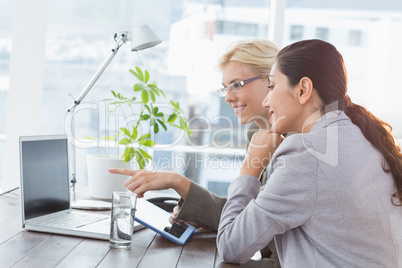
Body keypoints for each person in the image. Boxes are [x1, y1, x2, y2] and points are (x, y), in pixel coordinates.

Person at [217, 39, 402, 267]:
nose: (267, 100)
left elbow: (231, 246)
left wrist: (249, 169)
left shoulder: (307, 155)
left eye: (272, 87)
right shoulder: (359, 136)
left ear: (303, 90)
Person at [110, 39, 282, 265]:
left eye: (237, 84)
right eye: (225, 88)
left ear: (272, 81)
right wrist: (177, 182)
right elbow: (247, 218)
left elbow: (265, 242)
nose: (228, 97)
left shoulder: (295, 146)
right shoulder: (258, 133)